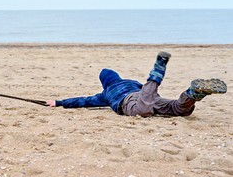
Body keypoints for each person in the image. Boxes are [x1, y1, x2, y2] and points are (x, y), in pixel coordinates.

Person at [46, 52, 227, 117]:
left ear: (104, 82)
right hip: (147, 96)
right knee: (179, 109)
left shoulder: (105, 93)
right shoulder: (130, 81)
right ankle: (193, 94)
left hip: (132, 102)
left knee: (142, 110)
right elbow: (144, 91)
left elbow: (82, 101)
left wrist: (59, 102)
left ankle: (157, 71)